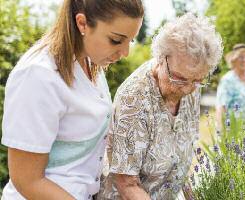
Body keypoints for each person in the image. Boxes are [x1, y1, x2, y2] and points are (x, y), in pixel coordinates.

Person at [1, 0, 143, 199]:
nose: (125, 53)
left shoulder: (90, 63)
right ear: (82, 23)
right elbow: (27, 180)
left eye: (131, 40)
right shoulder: (38, 76)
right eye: (116, 40)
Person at [96, 13, 223, 200]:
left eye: (198, 80)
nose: (188, 89)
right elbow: (127, 184)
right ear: (161, 58)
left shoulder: (191, 83)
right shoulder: (135, 99)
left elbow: (181, 165)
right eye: (180, 79)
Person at [215, 44, 245, 130]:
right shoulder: (228, 80)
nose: (244, 60)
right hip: (234, 130)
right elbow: (221, 106)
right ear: (233, 60)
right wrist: (221, 132)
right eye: (240, 57)